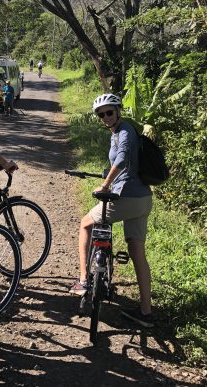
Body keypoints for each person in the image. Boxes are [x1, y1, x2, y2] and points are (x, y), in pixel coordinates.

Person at [70, 93, 154, 329]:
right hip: (143, 199)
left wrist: (105, 185)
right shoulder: (119, 133)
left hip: (127, 197)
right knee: (137, 251)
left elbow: (122, 159)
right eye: (101, 114)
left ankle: (84, 280)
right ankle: (146, 311)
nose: (105, 117)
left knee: (86, 223)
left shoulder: (125, 131)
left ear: (118, 111)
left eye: (109, 112)